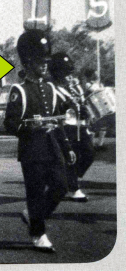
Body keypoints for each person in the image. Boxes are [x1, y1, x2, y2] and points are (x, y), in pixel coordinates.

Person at [4, 29, 76, 252]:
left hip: (52, 147)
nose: (45, 65)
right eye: (39, 61)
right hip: (31, 149)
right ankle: (38, 234)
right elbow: (9, 123)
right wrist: (29, 125)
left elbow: (58, 121)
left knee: (61, 186)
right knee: (34, 192)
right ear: (27, 62)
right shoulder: (19, 90)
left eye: (46, 61)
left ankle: (33, 216)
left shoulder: (51, 88)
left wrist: (67, 147)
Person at [49, 53, 95, 203]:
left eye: (70, 72)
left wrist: (83, 109)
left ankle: (70, 179)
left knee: (89, 153)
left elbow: (81, 105)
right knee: (71, 158)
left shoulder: (74, 88)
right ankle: (74, 188)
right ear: (57, 73)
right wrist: (64, 106)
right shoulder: (52, 89)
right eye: (65, 73)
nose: (69, 76)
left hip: (79, 127)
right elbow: (53, 111)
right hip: (65, 129)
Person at [83, 68, 107, 150]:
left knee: (103, 126)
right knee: (92, 126)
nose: (97, 74)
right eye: (95, 73)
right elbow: (94, 90)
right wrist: (101, 87)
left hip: (99, 106)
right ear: (92, 75)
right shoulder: (88, 84)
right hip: (91, 107)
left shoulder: (99, 84)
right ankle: (91, 145)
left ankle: (100, 144)